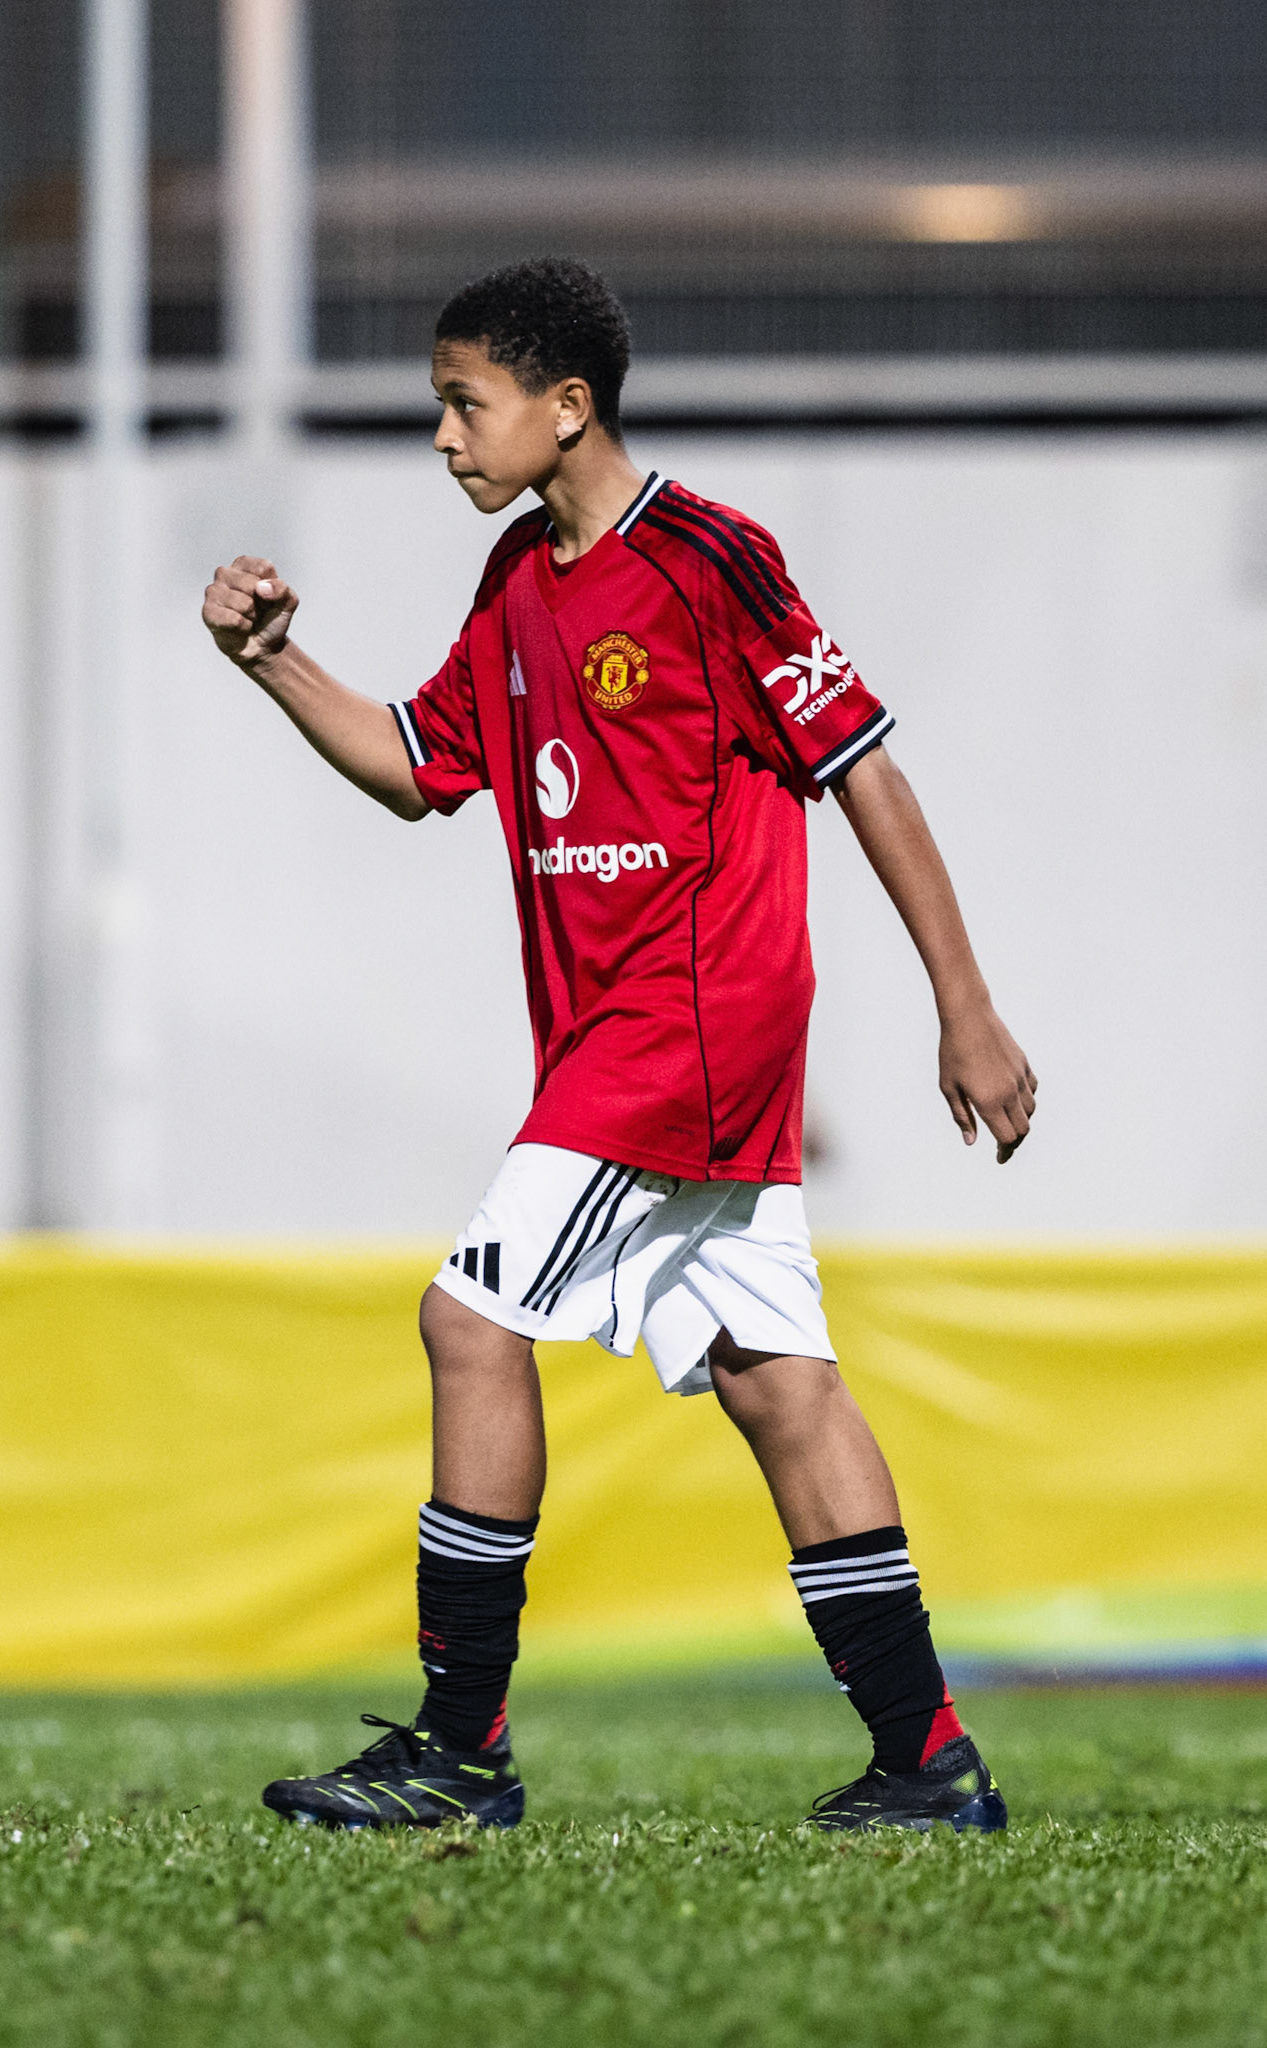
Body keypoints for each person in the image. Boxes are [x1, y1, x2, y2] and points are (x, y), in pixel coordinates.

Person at [201, 256, 1036, 1835]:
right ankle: (928, 1762)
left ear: (563, 406)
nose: (444, 437)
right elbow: (415, 765)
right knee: (776, 1384)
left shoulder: (713, 561)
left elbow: (861, 766)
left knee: (467, 1323)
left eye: (465, 403)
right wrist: (273, 661)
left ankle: (460, 1750)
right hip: (623, 1039)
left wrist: (963, 1002)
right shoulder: (519, 581)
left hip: (688, 1027)